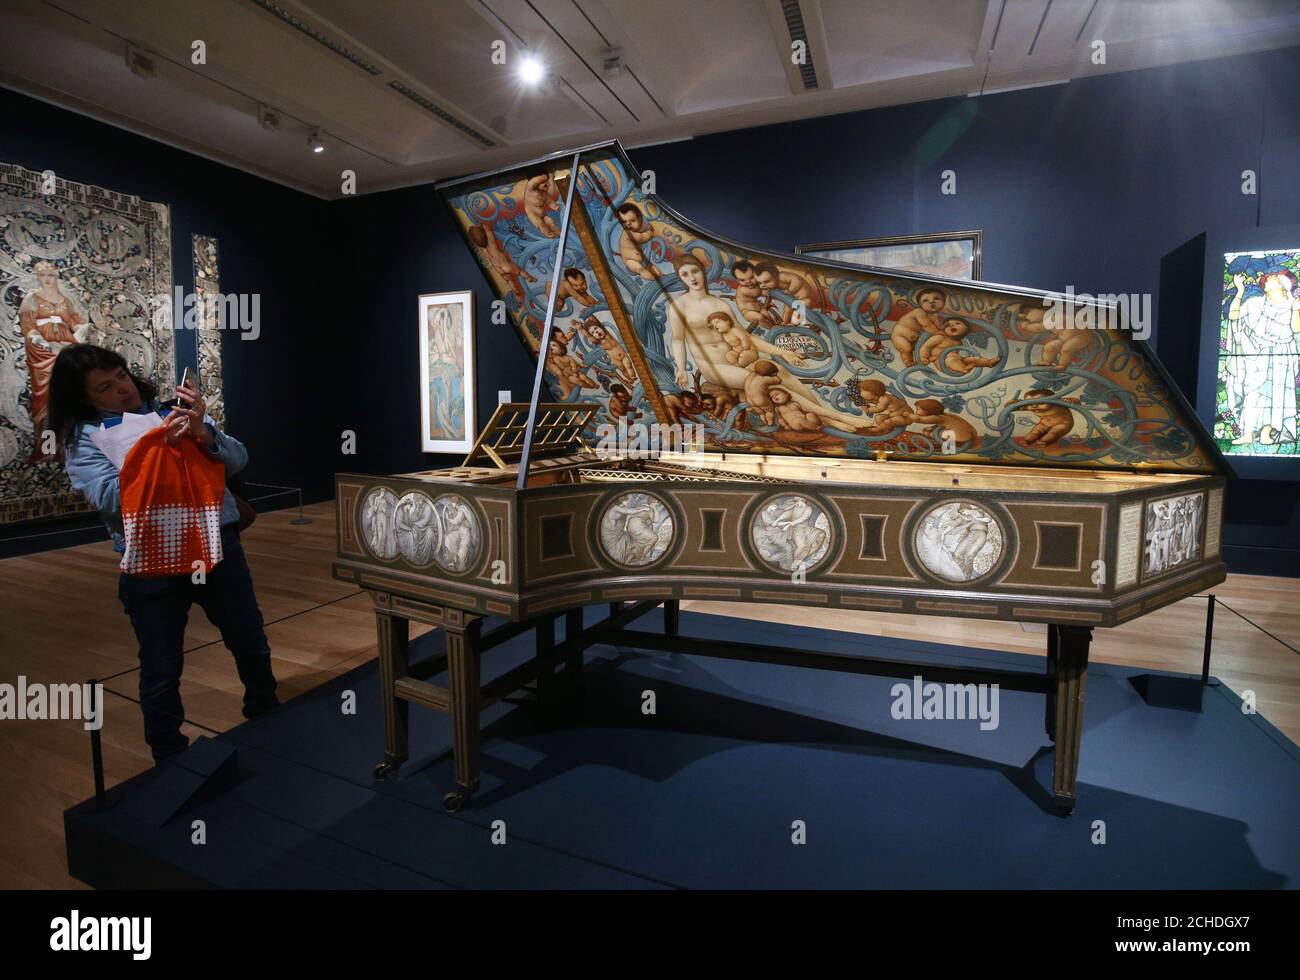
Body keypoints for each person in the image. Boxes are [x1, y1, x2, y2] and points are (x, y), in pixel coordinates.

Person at [50, 344, 278, 764]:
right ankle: (169, 757)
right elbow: (108, 498)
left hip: (215, 543)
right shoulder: (84, 438)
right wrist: (158, 449)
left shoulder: (171, 411)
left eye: (121, 376)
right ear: (84, 398)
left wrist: (203, 433)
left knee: (249, 637)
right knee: (160, 664)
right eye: (105, 387)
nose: (122, 389)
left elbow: (238, 459)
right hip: (151, 559)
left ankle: (268, 716)